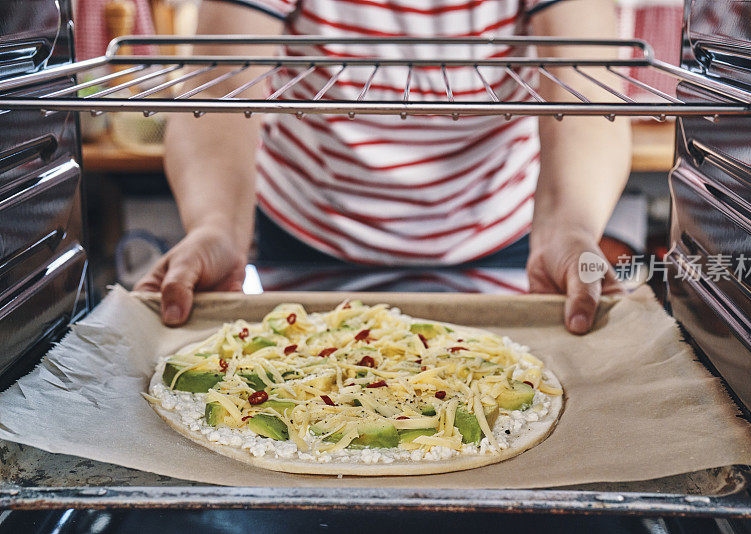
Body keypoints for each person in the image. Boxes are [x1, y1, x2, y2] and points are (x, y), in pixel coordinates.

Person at [135, 0, 631, 334]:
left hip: (503, 242)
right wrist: (217, 224)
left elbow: (585, 86)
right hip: (308, 241)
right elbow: (223, 85)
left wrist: (569, 225)